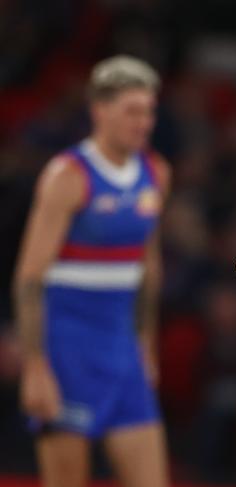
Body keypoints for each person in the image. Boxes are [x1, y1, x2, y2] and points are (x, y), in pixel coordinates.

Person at [13, 55, 170, 487]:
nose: (144, 122)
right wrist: (35, 367)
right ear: (99, 109)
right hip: (68, 356)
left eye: (150, 111)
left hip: (123, 355)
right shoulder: (68, 176)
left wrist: (146, 343)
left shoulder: (156, 173)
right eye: (132, 111)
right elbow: (29, 278)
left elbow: (148, 266)